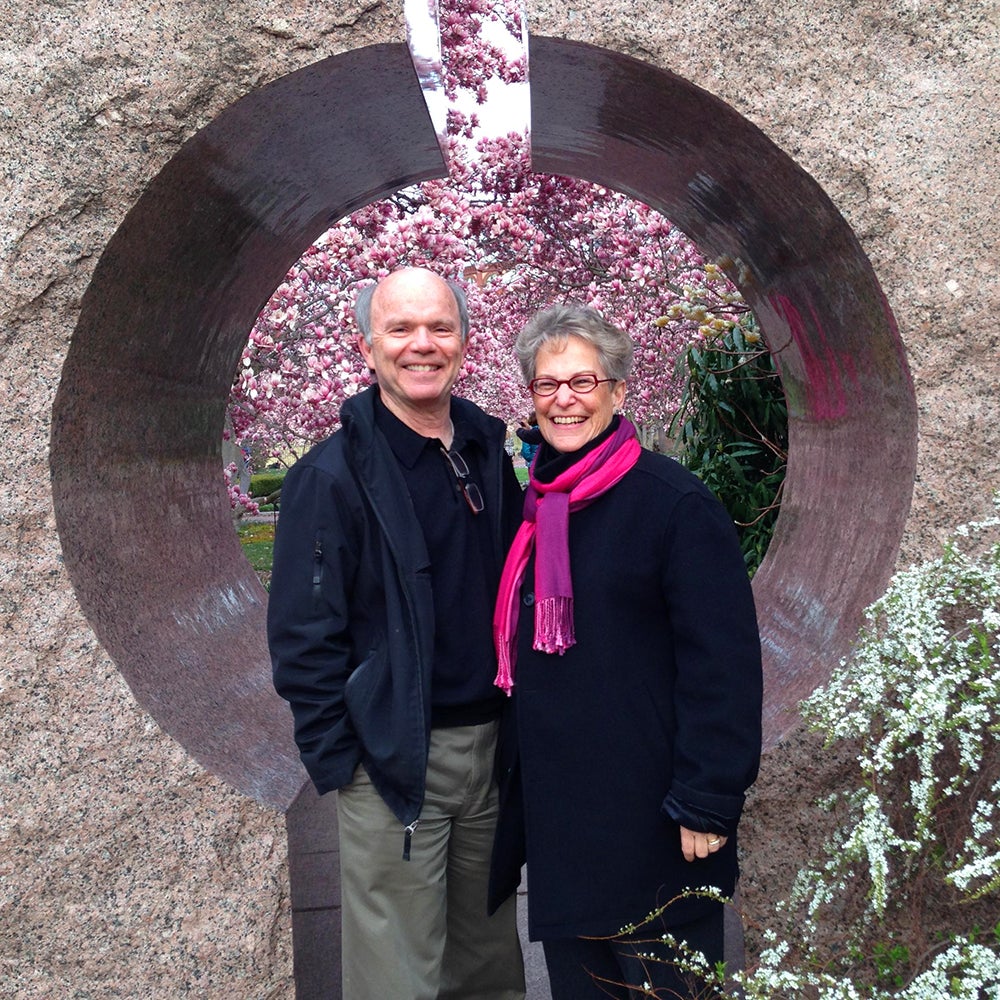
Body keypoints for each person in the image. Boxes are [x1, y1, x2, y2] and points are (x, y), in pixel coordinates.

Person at [488, 304, 762, 999]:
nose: (565, 400)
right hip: (566, 824)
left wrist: (708, 797)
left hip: (653, 820)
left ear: (619, 390)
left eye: (583, 381)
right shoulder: (540, 511)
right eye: (548, 385)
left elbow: (723, 665)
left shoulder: (674, 506)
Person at [268, 267, 526, 1000]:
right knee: (397, 978)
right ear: (367, 345)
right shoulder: (330, 477)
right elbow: (302, 634)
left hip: (491, 750)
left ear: (465, 342)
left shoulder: (484, 448)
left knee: (487, 966)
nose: (423, 344)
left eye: (440, 328)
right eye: (401, 328)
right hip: (393, 758)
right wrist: (342, 760)